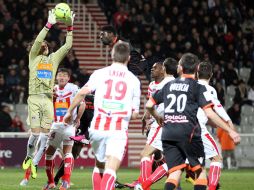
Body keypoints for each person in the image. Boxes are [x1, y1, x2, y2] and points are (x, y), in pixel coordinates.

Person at [145, 53, 240, 190]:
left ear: (180, 68)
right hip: (190, 132)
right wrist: (230, 129)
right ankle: (211, 187)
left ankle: (143, 185)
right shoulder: (199, 87)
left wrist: (157, 117)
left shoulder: (170, 85)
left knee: (174, 170)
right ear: (196, 69)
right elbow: (211, 113)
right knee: (201, 171)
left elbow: (149, 105)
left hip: (169, 131)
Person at [63, 41, 141, 190]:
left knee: (100, 165)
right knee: (111, 168)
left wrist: (68, 112)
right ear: (129, 58)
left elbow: (81, 93)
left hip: (97, 129)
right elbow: (135, 115)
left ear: (112, 55)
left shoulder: (99, 73)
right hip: (117, 130)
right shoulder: (134, 81)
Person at [20, 10, 75, 184]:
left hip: (47, 100)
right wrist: (48, 25)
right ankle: (29, 157)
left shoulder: (53, 59)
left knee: (45, 136)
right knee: (35, 135)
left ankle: (34, 163)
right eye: (41, 43)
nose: (43, 44)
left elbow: (67, 46)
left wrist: (70, 27)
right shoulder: (33, 58)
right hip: (35, 98)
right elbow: (37, 41)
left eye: (45, 43)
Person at [126, 58, 178, 189]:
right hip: (167, 123)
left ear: (163, 70)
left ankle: (142, 185)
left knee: (146, 154)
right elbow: (151, 103)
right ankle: (174, 183)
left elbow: (153, 105)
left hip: (162, 123)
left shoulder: (168, 83)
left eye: (155, 67)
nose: (152, 69)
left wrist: (153, 117)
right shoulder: (152, 85)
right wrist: (146, 118)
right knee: (163, 156)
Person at [42, 68, 84, 190]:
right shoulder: (52, 89)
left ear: (68, 78)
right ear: (56, 77)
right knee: (66, 153)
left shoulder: (73, 88)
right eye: (59, 75)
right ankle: (64, 181)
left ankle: (55, 182)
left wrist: (78, 119)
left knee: (51, 154)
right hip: (56, 125)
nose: (61, 77)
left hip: (65, 125)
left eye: (64, 75)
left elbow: (83, 104)